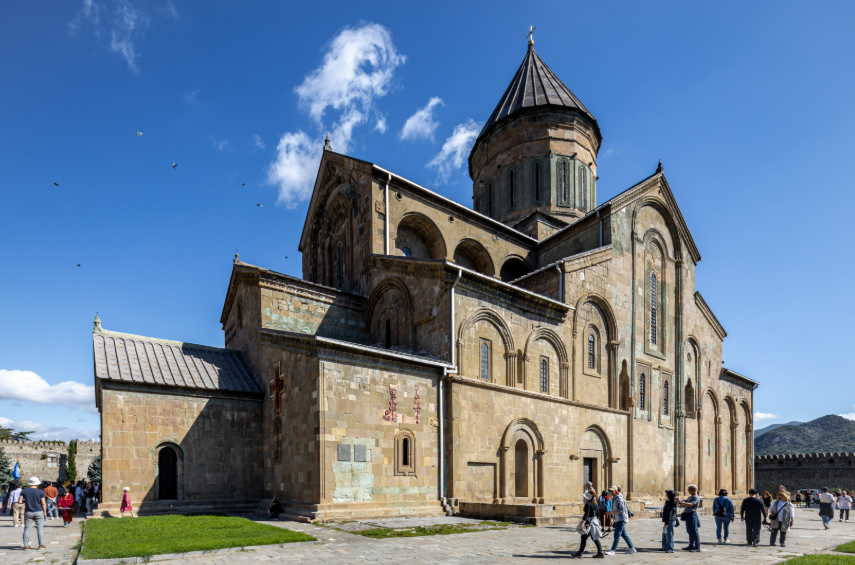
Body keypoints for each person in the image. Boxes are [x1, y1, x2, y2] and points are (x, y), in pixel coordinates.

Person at [573, 487, 605, 558]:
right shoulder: (596, 504)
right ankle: (600, 552)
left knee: (584, 538)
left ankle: (580, 553)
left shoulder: (588, 504)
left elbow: (586, 515)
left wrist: (582, 524)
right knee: (594, 537)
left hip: (588, 523)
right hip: (594, 522)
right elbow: (598, 515)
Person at [604, 486, 636, 555]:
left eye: (612, 491)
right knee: (624, 534)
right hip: (618, 519)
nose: (611, 492)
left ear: (615, 491)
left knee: (617, 535)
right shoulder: (614, 499)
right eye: (610, 491)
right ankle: (631, 548)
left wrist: (611, 512)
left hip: (622, 519)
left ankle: (613, 550)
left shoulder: (619, 498)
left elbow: (621, 510)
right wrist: (614, 518)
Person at [21, 477, 47, 550]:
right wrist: (45, 512)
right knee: (40, 528)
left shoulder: (24, 491)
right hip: (38, 511)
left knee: (27, 529)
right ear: (37, 484)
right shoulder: (41, 492)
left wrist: (27, 501)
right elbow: (43, 503)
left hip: (28, 511)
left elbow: (20, 501)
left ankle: (26, 545)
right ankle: (41, 544)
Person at [677, 484, 702, 551]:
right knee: (690, 531)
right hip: (688, 515)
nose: (688, 491)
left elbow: (690, 504)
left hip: (692, 515)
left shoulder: (696, 497)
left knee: (694, 531)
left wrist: (681, 503)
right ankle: (691, 545)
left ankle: (697, 547)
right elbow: (686, 502)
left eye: (689, 490)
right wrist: (680, 502)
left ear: (694, 490)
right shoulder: (690, 497)